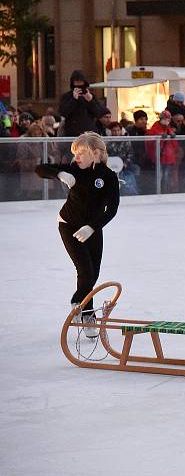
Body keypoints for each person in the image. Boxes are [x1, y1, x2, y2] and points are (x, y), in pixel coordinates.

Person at [35, 132, 120, 338]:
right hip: (68, 225)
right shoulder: (73, 170)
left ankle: (85, 309)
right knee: (85, 270)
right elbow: (40, 169)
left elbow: (112, 209)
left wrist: (92, 227)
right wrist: (59, 174)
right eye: (75, 153)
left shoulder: (108, 177)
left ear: (96, 153)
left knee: (93, 272)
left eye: (81, 153)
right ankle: (81, 306)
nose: (77, 158)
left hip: (92, 228)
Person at [59, 70, 104, 137]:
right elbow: (63, 112)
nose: (79, 84)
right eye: (77, 82)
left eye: (81, 82)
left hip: (89, 133)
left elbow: (99, 113)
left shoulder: (91, 96)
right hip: (72, 134)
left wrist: (90, 101)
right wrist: (74, 100)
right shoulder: (67, 97)